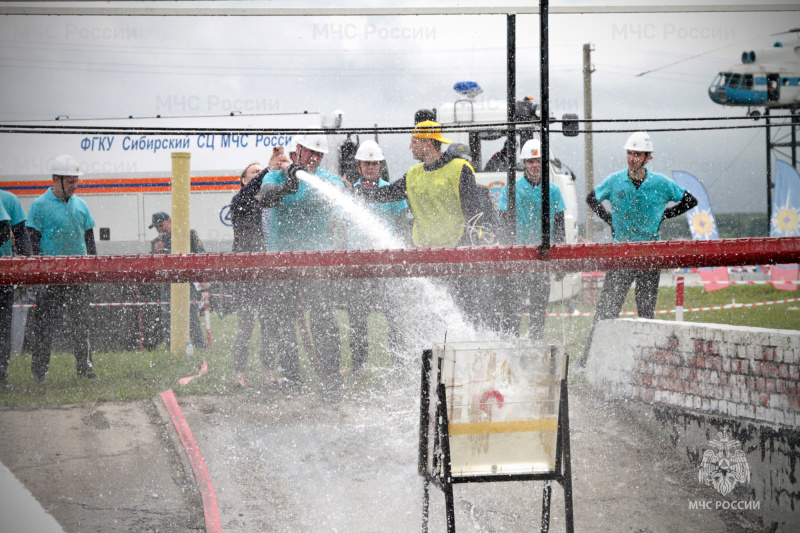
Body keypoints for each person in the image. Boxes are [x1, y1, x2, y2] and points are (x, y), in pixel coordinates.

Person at [355, 120, 495, 326]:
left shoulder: (460, 169)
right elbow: (385, 194)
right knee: (431, 319)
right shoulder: (414, 174)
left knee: (464, 315)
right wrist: (354, 192)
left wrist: (468, 253)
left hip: (455, 256)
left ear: (428, 143)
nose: (410, 146)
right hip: (423, 257)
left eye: (414, 141)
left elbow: (474, 217)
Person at [579, 132, 698, 367]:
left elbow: (689, 201)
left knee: (646, 315)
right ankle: (587, 360)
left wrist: (665, 215)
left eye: (638, 154)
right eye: (630, 153)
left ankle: (645, 364)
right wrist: (609, 219)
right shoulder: (615, 180)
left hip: (649, 255)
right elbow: (591, 198)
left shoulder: (661, 183)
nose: (633, 158)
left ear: (647, 159)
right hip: (621, 254)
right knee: (605, 312)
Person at [258, 134, 346, 399]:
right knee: (283, 320)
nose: (315, 158)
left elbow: (334, 193)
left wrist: (300, 175)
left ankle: (331, 382)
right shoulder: (276, 175)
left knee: (323, 319)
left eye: (319, 155)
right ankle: (292, 379)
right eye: (310, 153)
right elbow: (264, 198)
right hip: (282, 259)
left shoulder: (327, 179)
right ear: (298, 149)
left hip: (317, 258)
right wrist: (287, 185)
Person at [27, 154, 97, 381]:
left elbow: (90, 242)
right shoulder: (38, 206)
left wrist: (92, 270)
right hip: (49, 279)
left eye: (76, 181)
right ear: (56, 180)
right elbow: (33, 245)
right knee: (44, 328)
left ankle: (85, 370)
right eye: (70, 182)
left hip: (77, 277)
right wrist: (37, 277)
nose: (75, 186)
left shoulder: (82, 205)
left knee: (82, 325)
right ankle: (39, 374)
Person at [342, 140, 409, 373]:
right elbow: (340, 225)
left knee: (395, 316)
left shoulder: (390, 190)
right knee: (358, 318)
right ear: (358, 166)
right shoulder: (349, 193)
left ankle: (399, 364)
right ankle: (358, 365)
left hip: (386, 263)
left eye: (374, 163)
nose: (371, 167)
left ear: (380, 166)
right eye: (366, 163)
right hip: (359, 263)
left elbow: (403, 224)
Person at [494, 139, 566, 338]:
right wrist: (505, 259)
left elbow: (560, 229)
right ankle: (509, 352)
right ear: (524, 163)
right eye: (531, 161)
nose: (535, 165)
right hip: (517, 263)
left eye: (538, 161)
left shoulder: (554, 191)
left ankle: (534, 351)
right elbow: (502, 226)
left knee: (537, 319)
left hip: (541, 262)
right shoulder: (511, 190)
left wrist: (561, 260)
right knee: (511, 316)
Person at [229, 153, 284, 388]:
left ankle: (269, 373)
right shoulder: (241, 202)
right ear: (243, 180)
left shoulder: (271, 203)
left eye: (261, 171)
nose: (259, 174)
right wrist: (266, 170)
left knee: (270, 326)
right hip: (247, 275)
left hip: (270, 275)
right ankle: (239, 375)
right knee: (246, 327)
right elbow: (248, 192)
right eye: (253, 172)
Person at [149, 211, 207, 349]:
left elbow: (201, 253)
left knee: (191, 317)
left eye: (161, 225)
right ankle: (172, 349)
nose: (159, 229)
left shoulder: (187, 235)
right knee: (167, 319)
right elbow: (152, 266)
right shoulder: (157, 242)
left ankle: (200, 347)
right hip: (167, 284)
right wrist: (157, 254)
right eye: (156, 227)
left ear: (170, 221)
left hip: (185, 283)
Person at [0, 187, 32, 384]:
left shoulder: (9, 199)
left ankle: (2, 374)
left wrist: (26, 273)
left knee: (3, 326)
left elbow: (20, 237)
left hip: (3, 275)